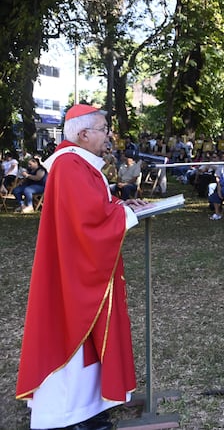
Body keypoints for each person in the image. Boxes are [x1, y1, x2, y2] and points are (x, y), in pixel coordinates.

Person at [16, 104, 147, 430]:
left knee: (85, 340)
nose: (109, 135)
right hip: (73, 274)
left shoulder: (77, 164)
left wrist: (119, 205)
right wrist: (119, 214)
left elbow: (93, 206)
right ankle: (69, 414)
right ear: (84, 133)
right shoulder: (71, 165)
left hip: (75, 267)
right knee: (73, 336)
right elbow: (88, 220)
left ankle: (87, 406)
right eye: (104, 129)